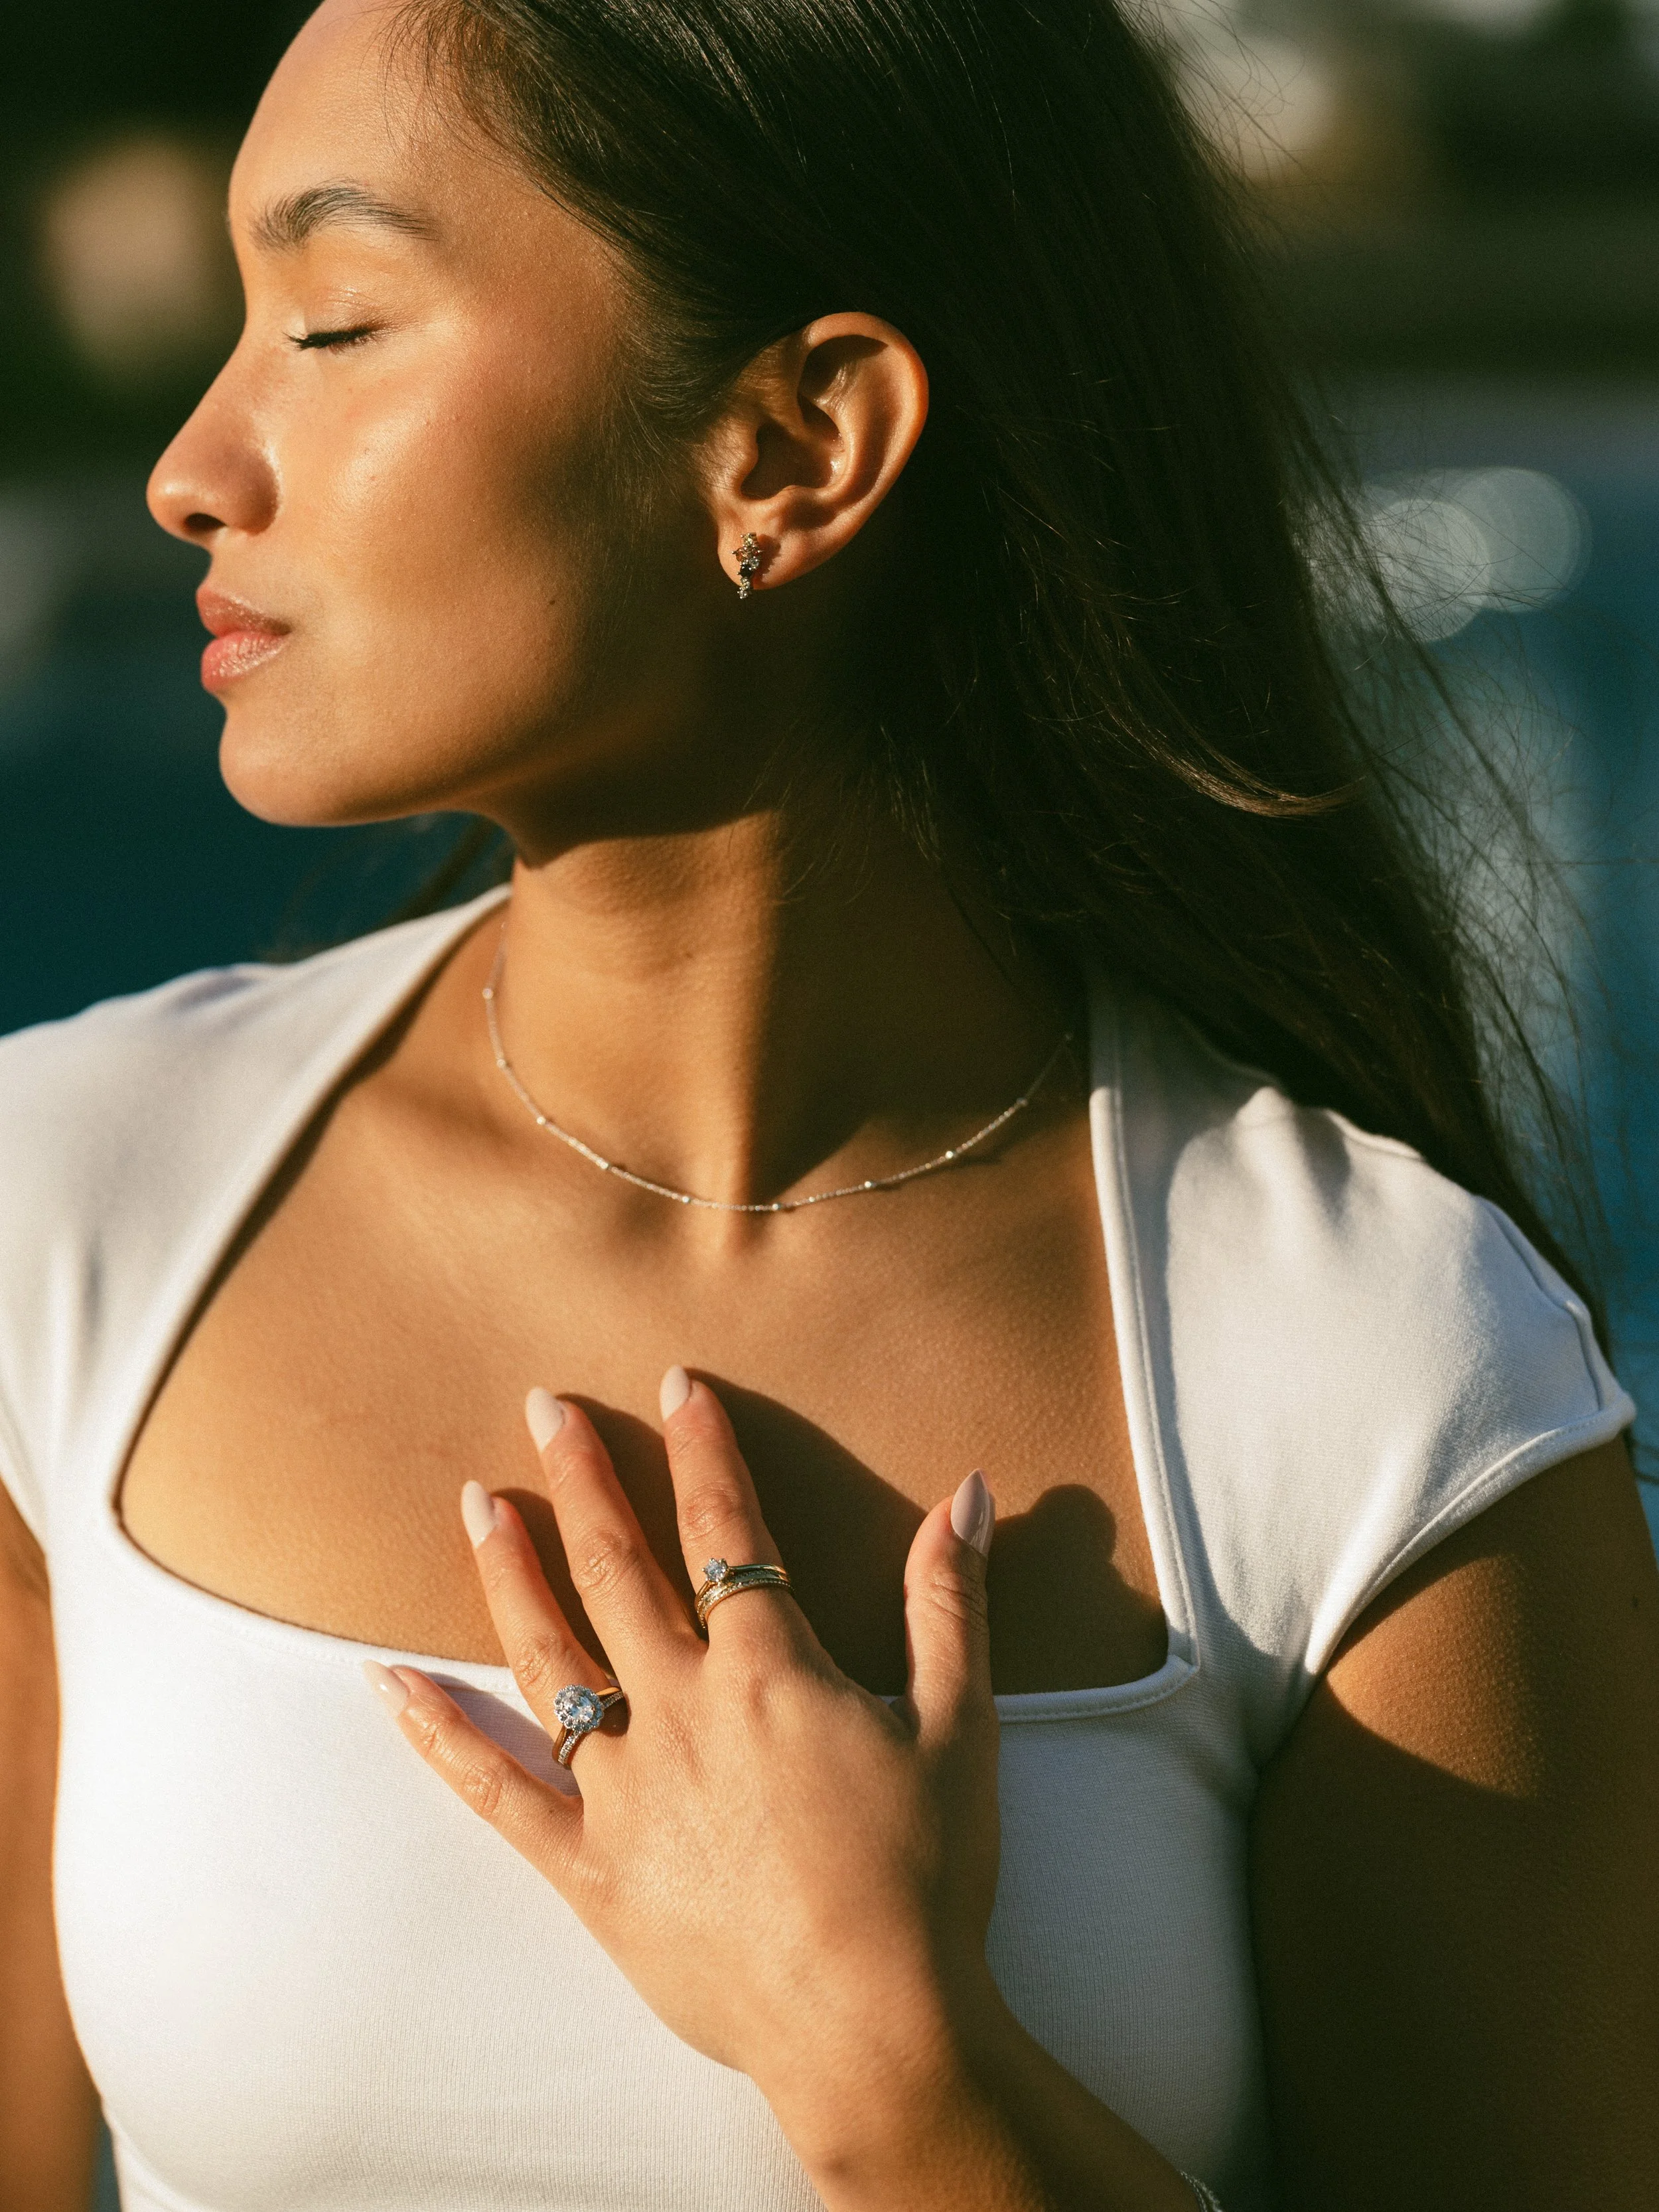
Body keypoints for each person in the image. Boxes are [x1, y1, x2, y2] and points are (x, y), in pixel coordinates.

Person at [3, 0, 1656, 2207]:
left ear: (796, 442)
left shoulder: (1369, 1380)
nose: (196, 459)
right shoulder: (71, 1218)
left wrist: (895, 2066)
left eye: (334, 319)